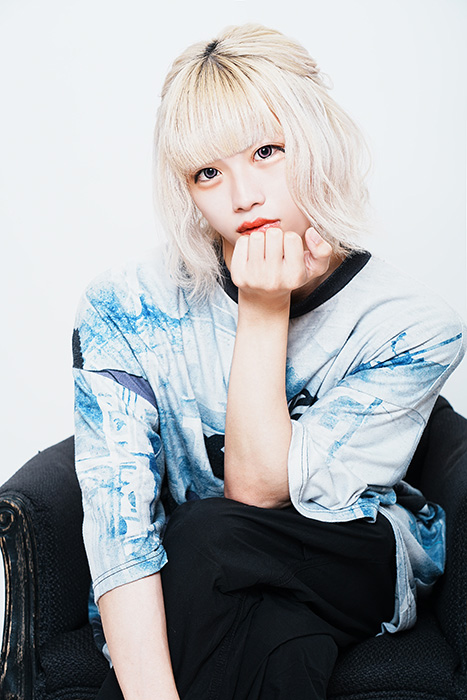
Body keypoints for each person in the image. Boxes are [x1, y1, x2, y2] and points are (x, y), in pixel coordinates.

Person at [72, 24, 466, 700]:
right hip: (207, 574)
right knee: (275, 632)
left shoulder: (412, 327)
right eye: (208, 172)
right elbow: (119, 523)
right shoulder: (126, 306)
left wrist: (262, 307)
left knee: (209, 533)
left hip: (350, 554)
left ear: (316, 140)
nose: (242, 197)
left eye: (266, 152)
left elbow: (258, 494)